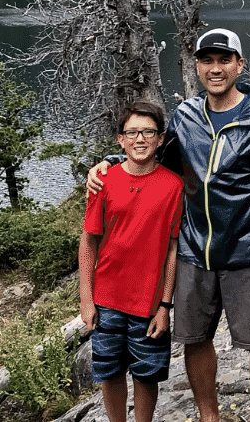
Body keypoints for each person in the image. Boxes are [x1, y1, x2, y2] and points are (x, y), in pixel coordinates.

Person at [87, 28, 250, 422]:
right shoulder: (186, 117)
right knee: (195, 339)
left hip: (248, 252)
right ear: (197, 67)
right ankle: (208, 417)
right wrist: (111, 162)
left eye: (224, 60)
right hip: (193, 251)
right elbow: (153, 155)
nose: (215, 69)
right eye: (207, 61)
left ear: (239, 65)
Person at [79, 101, 183, 422]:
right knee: (110, 373)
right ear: (120, 139)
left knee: (146, 374)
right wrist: (86, 298)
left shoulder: (173, 186)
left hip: (149, 303)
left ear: (160, 139)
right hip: (106, 299)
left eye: (148, 132)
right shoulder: (103, 181)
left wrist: (165, 306)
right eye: (132, 132)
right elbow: (89, 241)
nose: (140, 139)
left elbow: (172, 249)